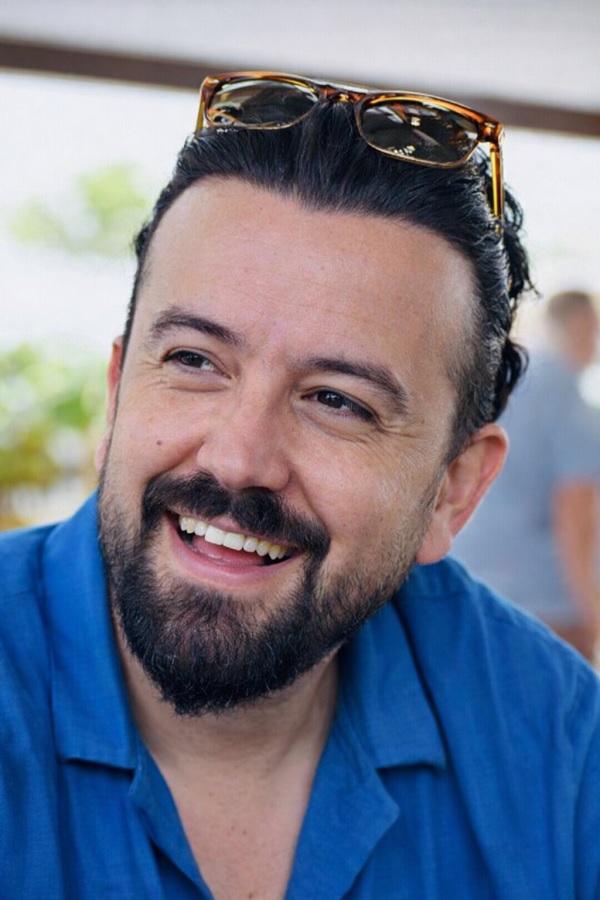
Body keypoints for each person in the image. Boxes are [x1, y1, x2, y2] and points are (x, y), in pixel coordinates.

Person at [1, 71, 599, 899]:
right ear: (117, 391)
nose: (238, 460)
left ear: (453, 492)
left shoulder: (561, 754)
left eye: (337, 401)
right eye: (194, 360)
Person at [453, 289, 600, 662]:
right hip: (545, 604)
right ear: (584, 326)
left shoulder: (507, 374)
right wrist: (593, 613)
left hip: (474, 582)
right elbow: (575, 511)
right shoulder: (565, 392)